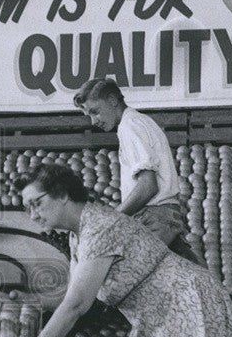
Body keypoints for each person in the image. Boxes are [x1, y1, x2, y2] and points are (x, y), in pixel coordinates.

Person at [8, 164, 232, 337]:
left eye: (36, 203)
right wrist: (30, 302)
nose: (32, 215)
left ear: (61, 194)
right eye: (27, 208)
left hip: (186, 303)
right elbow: (75, 294)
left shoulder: (100, 227)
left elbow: (77, 305)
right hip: (159, 312)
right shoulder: (78, 234)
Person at [73, 78, 204, 264]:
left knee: (128, 278)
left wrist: (113, 219)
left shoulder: (130, 126)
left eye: (95, 111)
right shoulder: (138, 122)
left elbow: (148, 186)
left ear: (112, 100)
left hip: (154, 218)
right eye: (88, 115)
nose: (93, 121)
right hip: (164, 218)